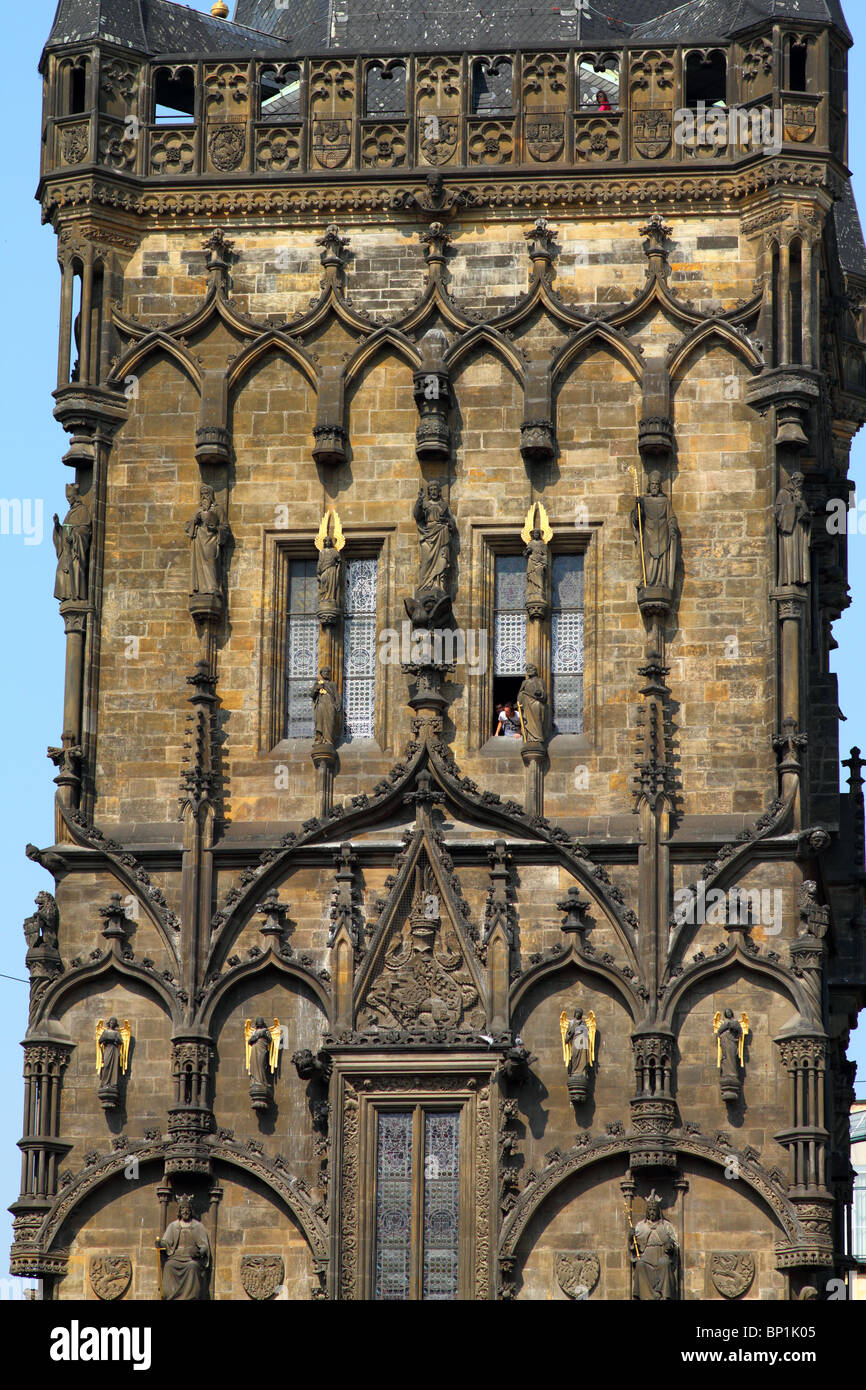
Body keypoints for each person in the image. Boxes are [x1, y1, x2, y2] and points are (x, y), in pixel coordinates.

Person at [156, 1197, 211, 1300]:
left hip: (192, 1258)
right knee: (169, 1265)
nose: (185, 1211)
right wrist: (160, 1244)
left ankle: (190, 1297)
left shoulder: (198, 1226)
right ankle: (170, 1296)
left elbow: (204, 1246)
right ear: (179, 1211)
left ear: (191, 1210)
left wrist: (199, 1252)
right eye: (183, 1209)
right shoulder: (173, 1226)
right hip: (176, 1256)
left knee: (192, 1266)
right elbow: (166, 1242)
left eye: (187, 1209)